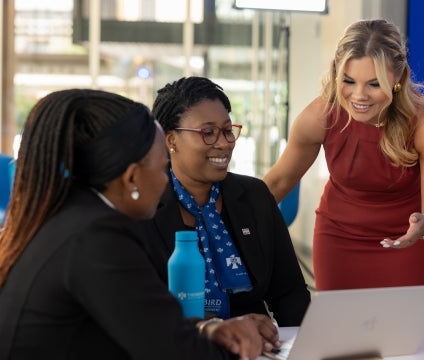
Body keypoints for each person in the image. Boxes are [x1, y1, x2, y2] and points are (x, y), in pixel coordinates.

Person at [0, 89, 267, 360]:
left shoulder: (65, 218)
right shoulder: (98, 238)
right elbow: (174, 353)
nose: (167, 180)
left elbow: (146, 324)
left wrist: (206, 329)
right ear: (131, 178)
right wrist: (249, 351)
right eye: (163, 167)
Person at [263, 19, 424, 290]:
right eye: (349, 81)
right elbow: (277, 183)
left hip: (405, 241)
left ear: (397, 79)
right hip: (337, 238)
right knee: (338, 326)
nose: (359, 95)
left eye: (374, 84)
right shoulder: (321, 115)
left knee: (400, 331)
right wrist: (221, 225)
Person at [141, 76, 310, 327]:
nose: (224, 143)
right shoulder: (144, 206)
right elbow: (140, 309)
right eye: (207, 133)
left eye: (227, 130)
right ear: (170, 139)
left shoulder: (254, 196)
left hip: (255, 348)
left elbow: (289, 294)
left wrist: (300, 347)